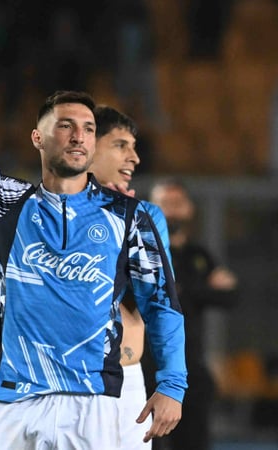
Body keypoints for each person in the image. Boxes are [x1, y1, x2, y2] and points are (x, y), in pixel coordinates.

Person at [0, 17, 187, 449]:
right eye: (65, 125)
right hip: (15, 398)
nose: (79, 136)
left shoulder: (131, 216)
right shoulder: (7, 200)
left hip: (93, 399)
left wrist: (172, 383)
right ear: (37, 138)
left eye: (88, 129)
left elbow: (161, 303)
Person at [87, 105, 171, 450]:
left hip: (131, 381)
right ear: (88, 145)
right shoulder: (50, 211)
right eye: (120, 145)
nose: (134, 158)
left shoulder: (146, 216)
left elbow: (153, 296)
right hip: (75, 383)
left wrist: (123, 225)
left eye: (134, 147)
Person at [148, 179, 238, 450]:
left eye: (177, 204)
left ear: (189, 208)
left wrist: (183, 289)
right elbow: (160, 298)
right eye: (164, 204)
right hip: (148, 368)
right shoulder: (145, 252)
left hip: (191, 370)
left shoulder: (199, 255)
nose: (172, 211)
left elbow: (231, 296)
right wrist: (201, 288)